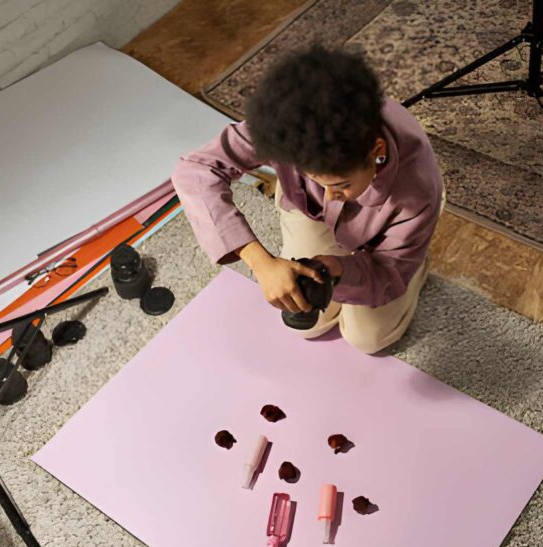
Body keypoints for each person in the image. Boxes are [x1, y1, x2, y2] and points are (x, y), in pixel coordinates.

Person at [172, 46, 443, 354]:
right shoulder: (287, 126)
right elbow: (196, 170)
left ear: (376, 152)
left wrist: (342, 271)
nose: (327, 196)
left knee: (368, 339)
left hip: (389, 241)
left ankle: (417, 266)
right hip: (306, 211)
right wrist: (261, 262)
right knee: (309, 323)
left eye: (340, 184)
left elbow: (387, 275)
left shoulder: (417, 190)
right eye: (313, 179)